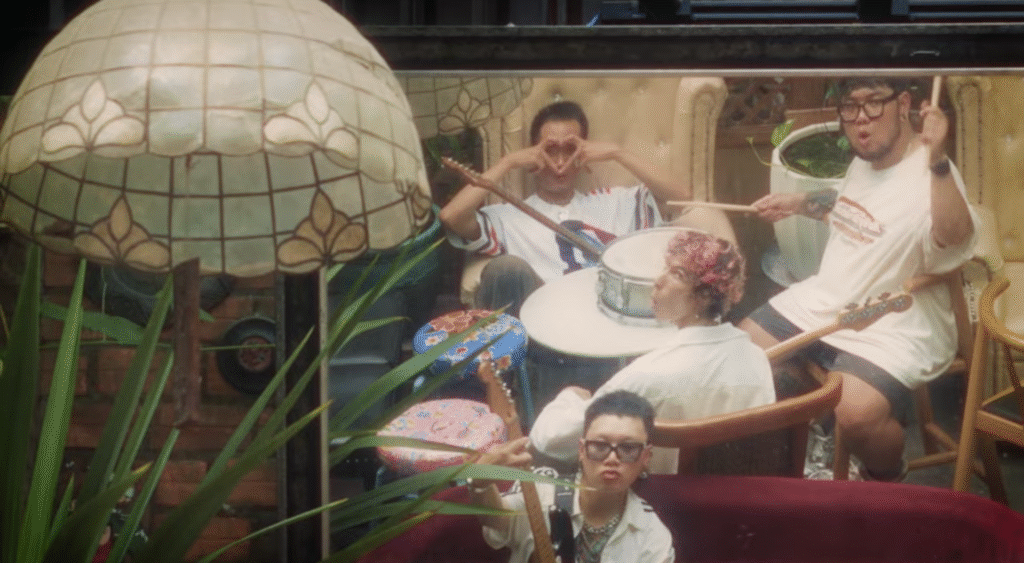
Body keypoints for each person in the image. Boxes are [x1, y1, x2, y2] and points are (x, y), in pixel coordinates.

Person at [740, 76, 978, 481]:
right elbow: (847, 205)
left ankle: (884, 476)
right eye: (850, 107)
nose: (861, 118)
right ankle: (817, 430)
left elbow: (955, 236)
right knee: (741, 352)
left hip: (894, 320)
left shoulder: (933, 173)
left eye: (873, 103)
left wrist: (938, 160)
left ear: (904, 104)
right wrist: (797, 202)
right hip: (826, 301)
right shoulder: (863, 163)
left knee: (856, 414)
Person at [528, 229, 776, 473]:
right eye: (665, 268)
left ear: (703, 296)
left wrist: (568, 398)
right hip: (737, 494)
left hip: (659, 496)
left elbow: (551, 440)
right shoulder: (757, 359)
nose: (658, 280)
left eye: (677, 274)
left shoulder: (647, 376)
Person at [439, 100, 691, 316]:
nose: (560, 163)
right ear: (533, 155)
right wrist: (508, 162)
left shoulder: (617, 201)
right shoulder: (508, 215)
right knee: (504, 269)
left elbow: (682, 198)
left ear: (584, 154)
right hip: (544, 323)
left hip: (609, 317)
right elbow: (451, 216)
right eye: (550, 151)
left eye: (570, 150)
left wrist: (617, 153)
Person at [471, 390, 675, 563]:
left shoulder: (652, 538)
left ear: (646, 456)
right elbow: (496, 520)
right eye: (600, 446)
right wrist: (479, 480)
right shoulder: (542, 493)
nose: (612, 458)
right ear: (581, 450)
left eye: (628, 448)